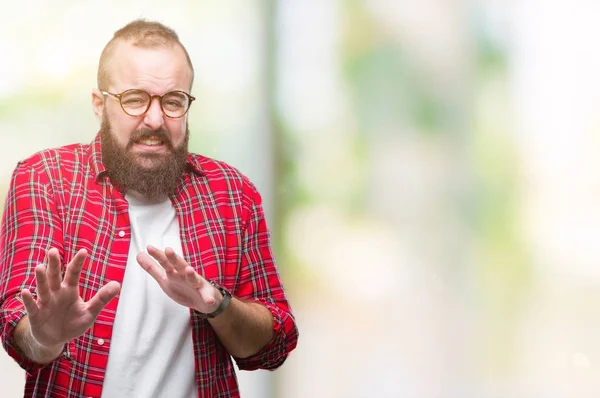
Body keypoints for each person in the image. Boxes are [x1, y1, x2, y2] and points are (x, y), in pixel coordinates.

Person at [0, 19, 298, 398]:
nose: (155, 120)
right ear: (99, 104)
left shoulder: (233, 194)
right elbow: (18, 327)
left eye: (173, 101)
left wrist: (217, 304)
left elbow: (273, 345)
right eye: (135, 99)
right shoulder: (44, 179)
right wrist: (46, 337)